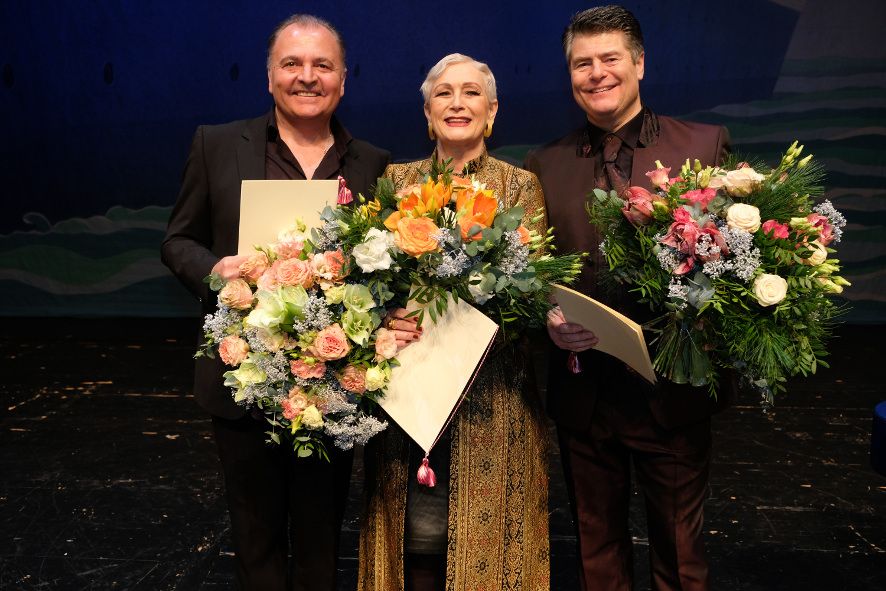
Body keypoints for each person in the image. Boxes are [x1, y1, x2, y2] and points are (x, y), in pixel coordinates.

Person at [160, 14, 389, 590]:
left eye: (322, 65)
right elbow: (177, 240)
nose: (306, 77)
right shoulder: (216, 144)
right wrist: (214, 269)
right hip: (242, 374)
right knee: (255, 537)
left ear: (343, 80)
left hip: (334, 382)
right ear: (269, 77)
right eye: (292, 64)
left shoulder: (374, 164)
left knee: (320, 540)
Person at [525, 6, 731, 591]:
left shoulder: (702, 146)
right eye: (582, 63)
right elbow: (533, 270)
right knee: (597, 554)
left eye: (609, 59)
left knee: (681, 557)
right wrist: (547, 315)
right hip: (584, 391)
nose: (597, 74)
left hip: (670, 392)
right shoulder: (546, 163)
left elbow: (733, 263)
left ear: (639, 63)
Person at [357, 54, 550, 590]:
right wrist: (385, 318)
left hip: (494, 396)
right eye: (444, 94)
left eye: (471, 93)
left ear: (491, 111)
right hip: (409, 392)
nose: (457, 103)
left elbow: (530, 295)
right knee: (414, 538)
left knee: (484, 545)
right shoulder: (395, 182)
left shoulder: (520, 188)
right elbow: (368, 285)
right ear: (427, 111)